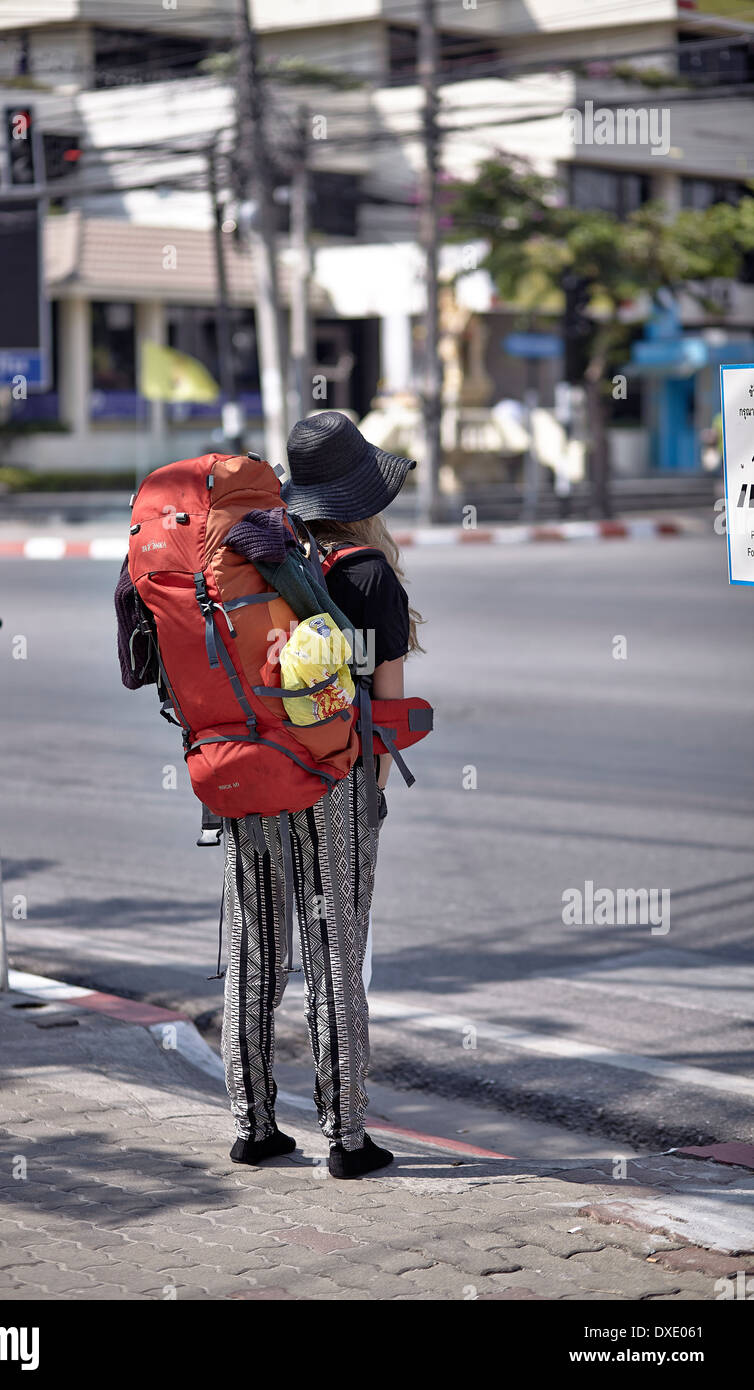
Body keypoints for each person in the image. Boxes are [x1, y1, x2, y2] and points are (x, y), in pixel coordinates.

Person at [221, 410, 424, 1179]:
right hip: (332, 780)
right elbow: (391, 717)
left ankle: (254, 1128)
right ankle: (346, 1138)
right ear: (361, 493)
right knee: (335, 947)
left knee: (252, 943)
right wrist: (368, 798)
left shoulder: (259, 564)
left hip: (245, 774)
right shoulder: (367, 575)